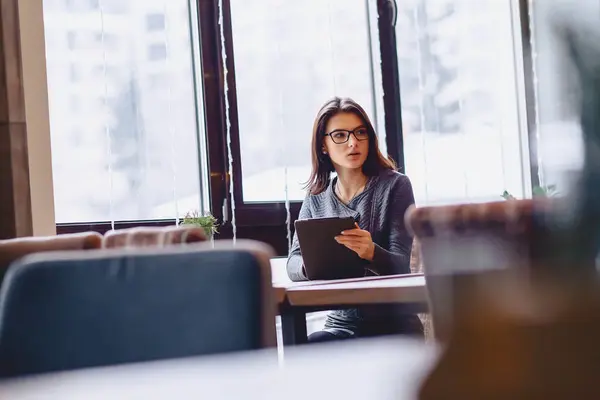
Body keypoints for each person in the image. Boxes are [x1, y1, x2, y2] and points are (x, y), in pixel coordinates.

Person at [287, 96, 424, 343]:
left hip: (393, 324)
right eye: (340, 135)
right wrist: (311, 266)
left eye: (360, 133)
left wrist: (372, 252)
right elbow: (293, 262)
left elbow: (402, 265)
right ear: (323, 145)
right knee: (306, 349)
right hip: (341, 326)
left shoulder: (396, 186)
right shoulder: (316, 198)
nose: (353, 142)